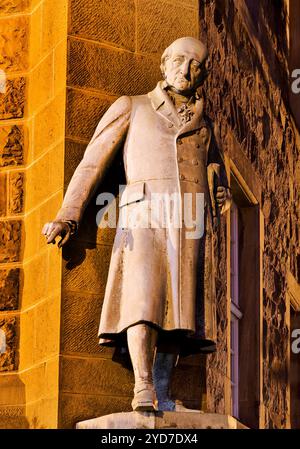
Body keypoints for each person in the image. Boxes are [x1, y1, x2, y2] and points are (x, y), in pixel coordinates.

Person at [42, 37, 231, 412]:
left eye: (195, 65)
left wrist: (217, 183)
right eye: (178, 60)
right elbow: (92, 163)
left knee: (180, 312)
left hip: (189, 219)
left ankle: (163, 387)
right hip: (144, 215)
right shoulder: (133, 107)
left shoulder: (204, 124)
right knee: (142, 299)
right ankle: (142, 384)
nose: (185, 70)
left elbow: (214, 169)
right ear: (163, 64)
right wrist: (69, 215)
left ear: (203, 75)